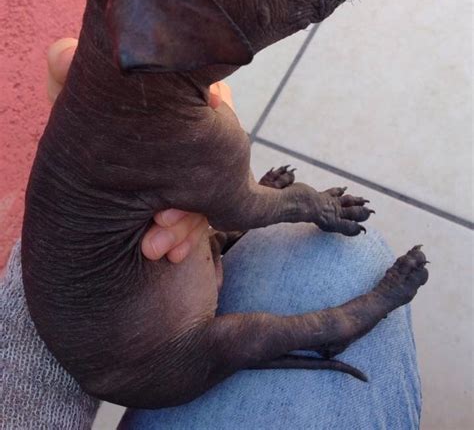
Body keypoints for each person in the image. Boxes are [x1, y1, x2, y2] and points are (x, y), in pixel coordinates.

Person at [1, 39, 422, 430]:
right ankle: (348, 320)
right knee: (264, 320)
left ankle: (227, 236)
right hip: (162, 356)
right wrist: (315, 205)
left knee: (186, 234)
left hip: (136, 298)